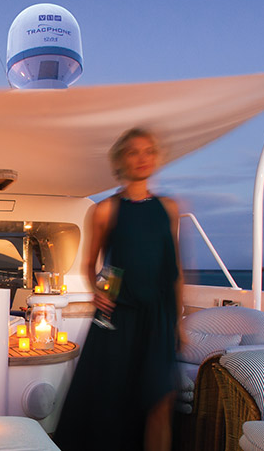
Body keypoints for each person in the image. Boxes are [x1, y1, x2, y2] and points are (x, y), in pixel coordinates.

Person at [53, 127, 184, 451]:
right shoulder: (106, 210)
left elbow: (175, 269)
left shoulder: (168, 208)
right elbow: (90, 263)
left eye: (148, 151)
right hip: (117, 320)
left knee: (159, 401)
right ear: (121, 161)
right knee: (110, 403)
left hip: (158, 319)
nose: (142, 158)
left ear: (156, 158)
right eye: (133, 152)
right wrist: (98, 290)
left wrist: (177, 321)